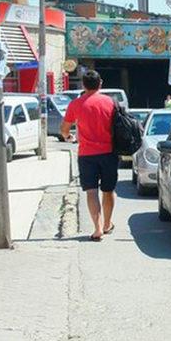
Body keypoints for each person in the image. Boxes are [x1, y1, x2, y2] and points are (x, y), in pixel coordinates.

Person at [60, 70, 118, 241]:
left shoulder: (76, 104)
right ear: (100, 83)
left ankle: (97, 228)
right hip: (109, 152)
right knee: (108, 190)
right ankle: (107, 224)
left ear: (83, 85)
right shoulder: (110, 102)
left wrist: (68, 136)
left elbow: (64, 129)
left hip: (86, 154)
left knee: (91, 191)